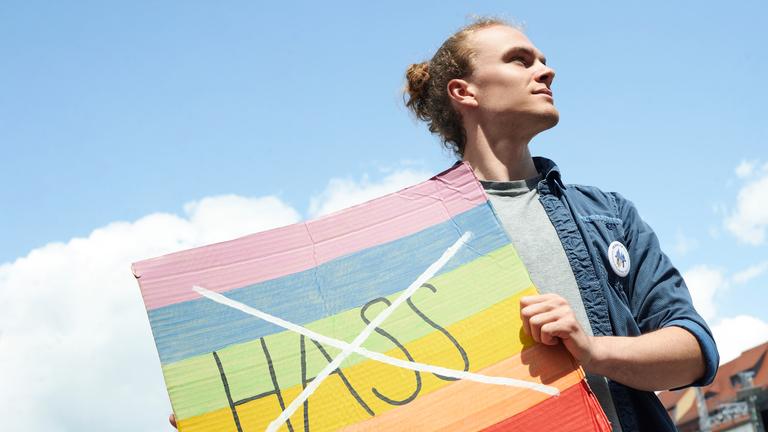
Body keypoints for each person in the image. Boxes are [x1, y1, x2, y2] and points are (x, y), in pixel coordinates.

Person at [403, 18, 718, 431]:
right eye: (520, 60)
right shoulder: (417, 236)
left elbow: (695, 352)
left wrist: (592, 350)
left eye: (543, 60)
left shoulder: (609, 215)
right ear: (465, 92)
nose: (546, 70)